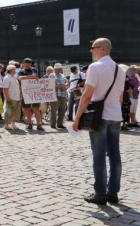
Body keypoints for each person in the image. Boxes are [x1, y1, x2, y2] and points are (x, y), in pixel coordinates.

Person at [73, 38, 125, 205]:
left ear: (102, 49)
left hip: (99, 116)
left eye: (93, 48)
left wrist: (77, 117)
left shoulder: (95, 67)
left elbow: (87, 95)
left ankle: (100, 193)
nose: (91, 51)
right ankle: (113, 192)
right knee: (115, 155)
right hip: (115, 115)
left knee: (99, 156)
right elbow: (120, 96)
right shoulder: (120, 69)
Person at [17, 58, 44, 131]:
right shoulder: (21, 71)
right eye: (27, 63)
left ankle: (39, 124)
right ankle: (29, 124)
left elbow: (35, 76)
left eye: (29, 63)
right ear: (24, 63)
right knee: (27, 109)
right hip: (25, 93)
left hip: (34, 92)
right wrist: (30, 77)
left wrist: (27, 78)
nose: (28, 65)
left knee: (36, 109)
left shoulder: (34, 69)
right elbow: (19, 78)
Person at [49, 63, 68, 129]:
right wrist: (59, 86)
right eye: (60, 68)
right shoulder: (52, 75)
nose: (61, 69)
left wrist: (66, 86)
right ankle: (53, 124)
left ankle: (60, 123)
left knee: (62, 110)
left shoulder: (63, 75)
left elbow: (67, 82)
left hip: (63, 95)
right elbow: (50, 83)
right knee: (54, 110)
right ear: (56, 69)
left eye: (61, 68)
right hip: (55, 94)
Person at [3, 65, 21, 130]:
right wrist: (8, 97)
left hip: (17, 97)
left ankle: (13, 123)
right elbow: (5, 89)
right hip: (11, 97)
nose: (15, 70)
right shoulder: (7, 78)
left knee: (15, 112)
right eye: (14, 69)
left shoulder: (14, 77)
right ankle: (6, 124)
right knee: (9, 111)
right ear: (11, 70)